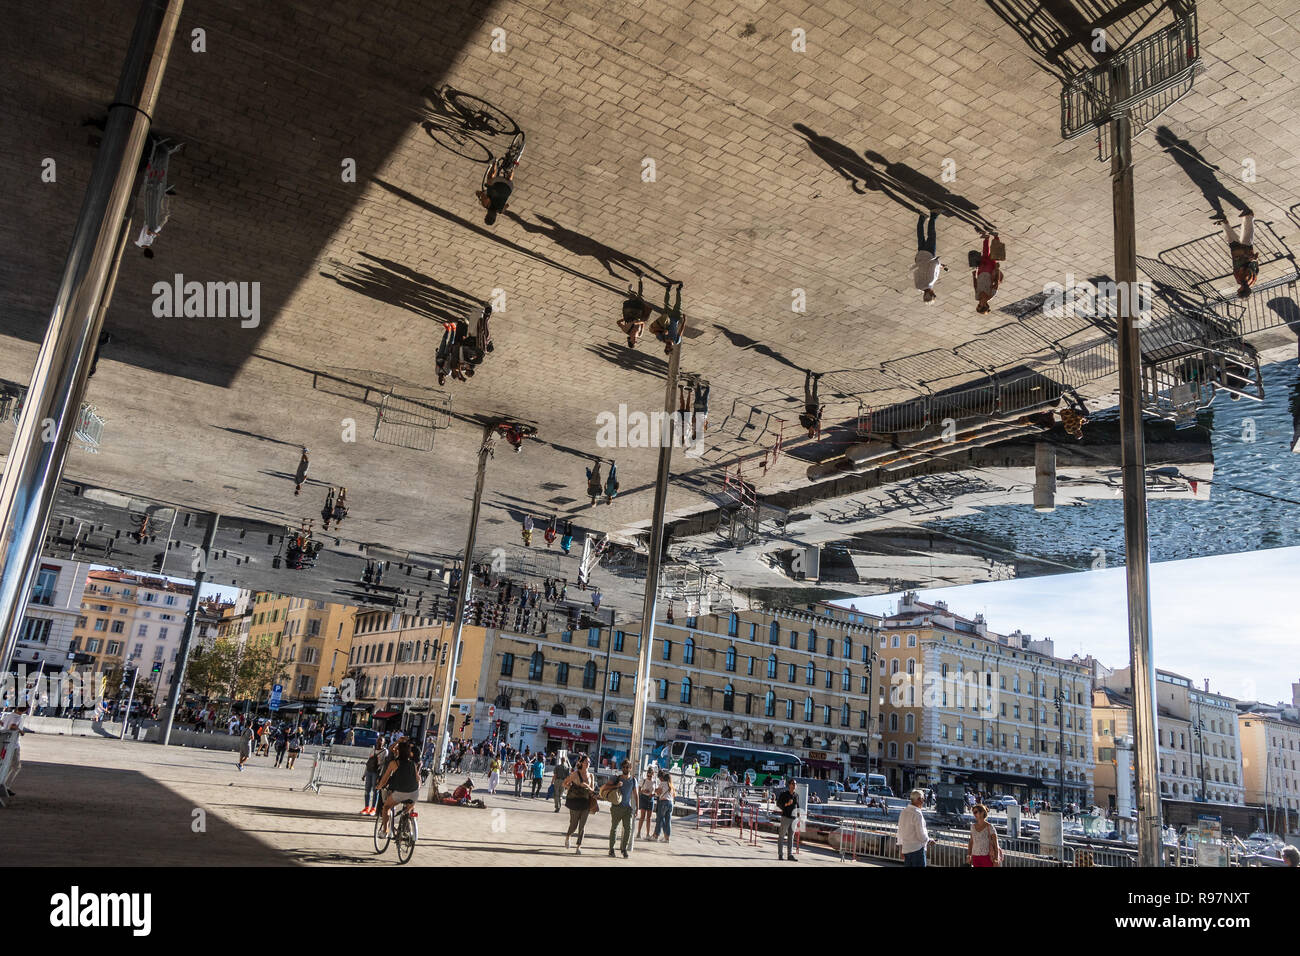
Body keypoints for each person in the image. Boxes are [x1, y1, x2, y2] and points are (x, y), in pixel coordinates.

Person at [375, 739, 422, 837]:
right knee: (408, 810)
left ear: (399, 751)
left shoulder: (394, 763)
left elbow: (384, 779)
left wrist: (379, 786)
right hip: (414, 792)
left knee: (386, 807)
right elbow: (418, 778)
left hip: (400, 792)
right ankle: (406, 828)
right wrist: (418, 788)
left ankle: (385, 831)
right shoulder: (413, 764)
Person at [1215, 210, 1258, 298]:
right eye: (1239, 292)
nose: (1237, 292)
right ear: (1242, 290)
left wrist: (1254, 260)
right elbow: (1245, 267)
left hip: (1246, 254)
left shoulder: (1252, 282)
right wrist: (1251, 259)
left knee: (1240, 237)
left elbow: (1256, 270)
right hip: (1241, 255)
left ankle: (1225, 223)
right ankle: (1249, 216)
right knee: (1241, 236)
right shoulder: (1244, 280)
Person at [605, 760, 638, 858]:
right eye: (624, 767)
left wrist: (637, 808)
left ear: (630, 768)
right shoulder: (617, 778)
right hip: (616, 807)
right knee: (614, 828)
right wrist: (616, 785)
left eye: (627, 767)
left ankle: (624, 849)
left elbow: (636, 794)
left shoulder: (633, 780)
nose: (625, 769)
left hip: (627, 808)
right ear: (621, 768)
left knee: (628, 829)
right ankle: (611, 849)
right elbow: (606, 786)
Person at [563, 755, 595, 854]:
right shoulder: (575, 774)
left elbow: (592, 790)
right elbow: (564, 783)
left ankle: (578, 846)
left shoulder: (591, 775)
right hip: (575, 802)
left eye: (589, 762)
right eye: (586, 762)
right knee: (574, 824)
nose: (588, 763)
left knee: (582, 826)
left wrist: (587, 787)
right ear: (581, 763)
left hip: (585, 802)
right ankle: (568, 836)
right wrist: (574, 789)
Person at [913, 209, 946, 302]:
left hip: (929, 255)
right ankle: (922, 217)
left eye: (934, 294)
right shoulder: (918, 286)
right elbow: (915, 272)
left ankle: (934, 215)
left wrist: (939, 264)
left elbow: (933, 265)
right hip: (919, 257)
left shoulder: (931, 281)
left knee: (931, 235)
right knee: (920, 237)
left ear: (931, 293)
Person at [898, 788, 933, 866]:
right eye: (923, 799)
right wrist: (928, 840)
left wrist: (901, 849)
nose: (923, 801)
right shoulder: (917, 814)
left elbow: (900, 831)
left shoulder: (903, 812)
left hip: (906, 849)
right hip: (917, 850)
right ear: (919, 799)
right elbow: (921, 835)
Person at [477, 155, 515, 226]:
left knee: (509, 181)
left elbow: (507, 205)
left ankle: (513, 169)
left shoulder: (500, 211)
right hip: (497, 182)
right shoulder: (486, 204)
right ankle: (494, 162)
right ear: (486, 215)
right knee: (489, 179)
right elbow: (482, 194)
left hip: (509, 187)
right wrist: (479, 194)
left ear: (495, 218)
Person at [649, 281, 685, 354]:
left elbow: (653, 330)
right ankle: (678, 290)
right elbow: (681, 331)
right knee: (679, 304)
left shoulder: (662, 338)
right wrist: (684, 321)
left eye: (666, 347)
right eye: (669, 348)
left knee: (666, 304)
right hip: (675, 318)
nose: (667, 346)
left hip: (667, 317)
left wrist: (663, 330)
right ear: (672, 348)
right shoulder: (677, 341)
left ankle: (668, 289)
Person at [973, 232, 1003, 313]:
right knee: (993, 255)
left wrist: (974, 276)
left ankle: (986, 238)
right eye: (980, 305)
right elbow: (996, 283)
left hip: (980, 273)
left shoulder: (977, 297)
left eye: (978, 305)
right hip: (989, 272)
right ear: (985, 305)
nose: (979, 303)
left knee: (985, 255)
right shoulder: (991, 295)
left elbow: (975, 286)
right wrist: (996, 269)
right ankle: (996, 237)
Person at [776, 778, 799, 861]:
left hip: (794, 819)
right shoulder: (784, 794)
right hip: (785, 817)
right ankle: (780, 854)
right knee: (782, 836)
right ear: (789, 785)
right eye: (793, 783)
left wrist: (798, 817)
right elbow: (778, 804)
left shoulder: (796, 795)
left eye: (795, 784)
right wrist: (786, 804)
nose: (794, 785)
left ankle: (790, 855)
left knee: (791, 837)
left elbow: (797, 806)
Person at [361, 738, 386, 815]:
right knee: (367, 790)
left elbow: (383, 765)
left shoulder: (385, 752)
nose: (379, 742)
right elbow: (368, 762)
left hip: (376, 773)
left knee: (375, 791)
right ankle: (366, 807)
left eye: (381, 740)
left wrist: (380, 776)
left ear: (384, 742)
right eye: (378, 740)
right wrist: (364, 774)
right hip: (369, 771)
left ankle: (373, 808)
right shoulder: (373, 750)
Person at [799, 370, 823, 439]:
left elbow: (801, 416)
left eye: (812, 433)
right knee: (815, 392)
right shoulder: (815, 426)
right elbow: (819, 418)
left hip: (809, 405)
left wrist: (808, 416)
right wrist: (821, 410)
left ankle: (808, 376)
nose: (814, 432)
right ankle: (816, 379)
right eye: (814, 433)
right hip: (816, 406)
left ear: (809, 432)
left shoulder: (805, 424)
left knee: (807, 390)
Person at [653, 770, 675, 843]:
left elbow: (658, 792)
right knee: (668, 821)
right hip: (671, 803)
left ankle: (656, 836)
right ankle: (667, 838)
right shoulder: (671, 785)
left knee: (660, 819)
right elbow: (674, 795)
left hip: (664, 802)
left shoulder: (663, 783)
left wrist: (655, 790)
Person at [636, 767, 657, 839]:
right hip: (644, 798)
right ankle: (638, 833)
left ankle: (648, 834)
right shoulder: (644, 780)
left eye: (650, 776)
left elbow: (656, 792)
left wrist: (653, 794)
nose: (649, 777)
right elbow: (639, 790)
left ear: (653, 775)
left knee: (649, 817)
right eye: (648, 776)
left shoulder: (655, 781)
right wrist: (644, 791)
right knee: (642, 816)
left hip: (651, 799)